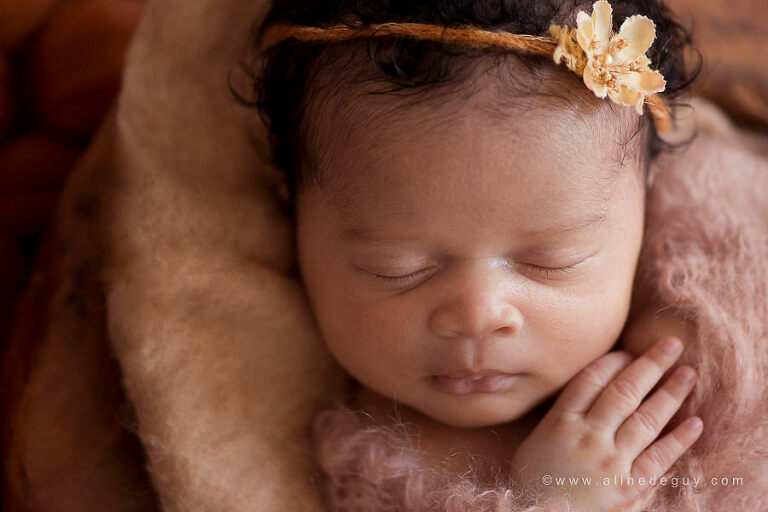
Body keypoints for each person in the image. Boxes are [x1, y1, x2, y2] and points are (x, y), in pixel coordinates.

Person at [240, 1, 715, 510]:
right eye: (397, 266)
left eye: (552, 260)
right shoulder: (273, 444)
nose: (477, 316)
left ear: (648, 200)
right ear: (293, 216)